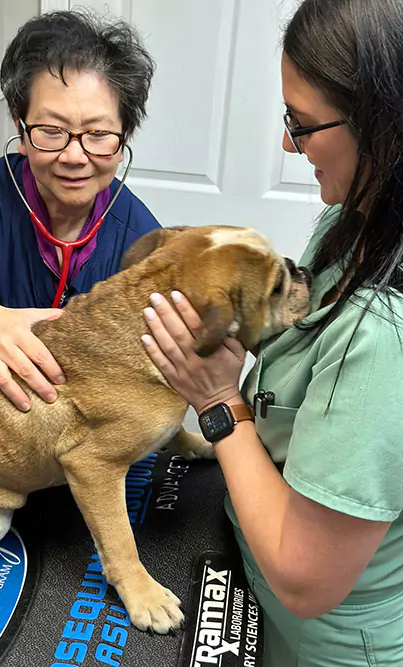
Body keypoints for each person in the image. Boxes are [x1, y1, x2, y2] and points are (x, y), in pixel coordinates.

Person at [140, 0, 403, 664]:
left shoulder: (383, 341)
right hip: (248, 572)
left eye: (303, 125)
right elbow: (306, 338)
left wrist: (218, 402)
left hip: (320, 639)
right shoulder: (357, 218)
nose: (288, 144)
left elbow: (305, 576)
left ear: (385, 123)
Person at [0, 9, 158, 413]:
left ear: (124, 138)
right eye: (51, 131)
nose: (74, 156)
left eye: (98, 134)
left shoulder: (139, 234)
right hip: (2, 427)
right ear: (20, 128)